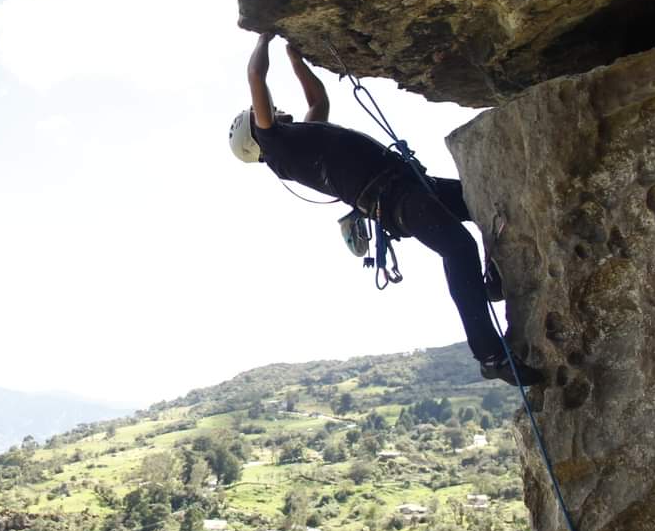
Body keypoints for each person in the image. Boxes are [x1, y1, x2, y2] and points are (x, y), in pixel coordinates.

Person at [228, 32, 543, 387]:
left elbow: (317, 99)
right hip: (395, 200)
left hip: (410, 187)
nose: (269, 111)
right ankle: (489, 355)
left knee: (485, 203)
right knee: (458, 248)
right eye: (259, 115)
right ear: (256, 134)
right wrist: (264, 37)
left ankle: (489, 285)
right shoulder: (277, 148)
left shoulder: (299, 139)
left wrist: (295, 57)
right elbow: (256, 76)